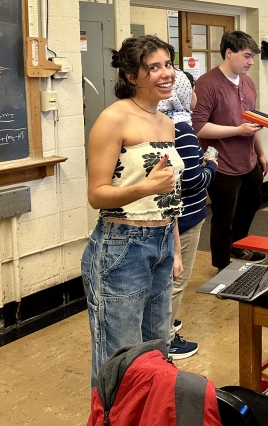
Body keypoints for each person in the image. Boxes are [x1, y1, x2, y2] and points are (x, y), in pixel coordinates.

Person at [82, 35, 184, 388]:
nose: (165, 73)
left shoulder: (166, 122)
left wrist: (175, 249)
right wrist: (145, 188)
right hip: (121, 247)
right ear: (130, 75)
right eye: (153, 67)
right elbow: (97, 195)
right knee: (121, 358)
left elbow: (167, 193)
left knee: (157, 350)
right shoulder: (113, 119)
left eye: (167, 64)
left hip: (161, 243)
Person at [192, 31, 268, 270]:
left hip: (249, 160)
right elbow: (199, 127)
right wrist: (237, 130)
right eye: (247, 56)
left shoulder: (248, 83)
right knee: (223, 218)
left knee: (251, 204)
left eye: (252, 57)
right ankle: (222, 267)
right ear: (229, 53)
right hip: (221, 164)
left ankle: (238, 246)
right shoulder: (207, 83)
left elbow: (251, 123)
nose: (251, 62)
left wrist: (262, 153)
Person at [158, 71, 217, 360]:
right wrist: (211, 165)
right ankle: (165, 337)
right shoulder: (182, 129)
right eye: (192, 89)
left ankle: (164, 323)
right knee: (176, 279)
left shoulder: (159, 122)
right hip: (185, 216)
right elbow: (194, 181)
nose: (196, 96)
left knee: (167, 277)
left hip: (171, 216)